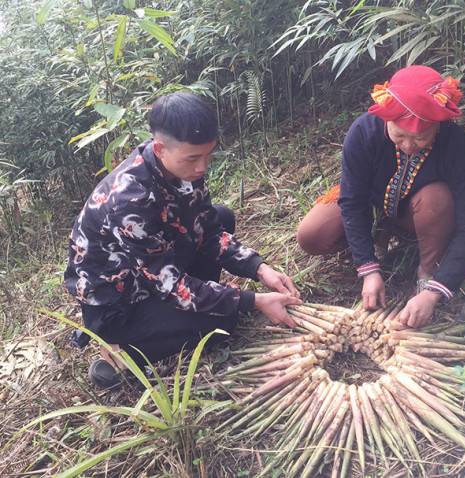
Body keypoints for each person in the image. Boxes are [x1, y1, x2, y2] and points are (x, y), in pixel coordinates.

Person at [65, 91, 302, 389]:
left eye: (208, 154)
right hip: (118, 299)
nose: (203, 167)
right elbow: (169, 285)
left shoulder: (182, 168)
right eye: (194, 158)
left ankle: (191, 307)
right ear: (160, 148)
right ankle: (119, 352)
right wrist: (252, 301)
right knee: (222, 323)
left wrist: (259, 269)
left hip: (150, 270)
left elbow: (210, 229)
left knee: (221, 216)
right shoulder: (129, 201)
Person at [297, 66, 465, 329]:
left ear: (438, 126)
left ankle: (426, 272)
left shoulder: (457, 147)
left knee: (437, 199)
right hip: (371, 204)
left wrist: (434, 291)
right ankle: (379, 233)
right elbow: (351, 201)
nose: (409, 145)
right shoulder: (364, 132)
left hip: (421, 210)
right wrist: (368, 269)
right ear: (386, 121)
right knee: (312, 234)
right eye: (399, 135)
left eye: (420, 137)